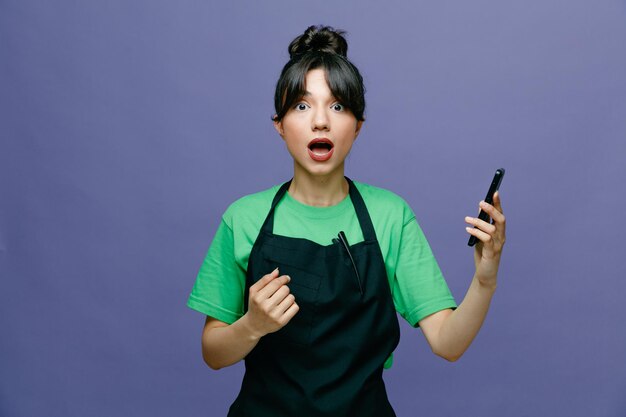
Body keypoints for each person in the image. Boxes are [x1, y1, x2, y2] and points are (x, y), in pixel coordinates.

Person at [187, 25, 506, 417]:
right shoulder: (243, 218)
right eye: (302, 106)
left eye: (337, 106)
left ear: (357, 126)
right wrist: (252, 324)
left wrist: (486, 277)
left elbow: (448, 344)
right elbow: (213, 353)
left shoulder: (391, 216)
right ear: (279, 124)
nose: (320, 121)